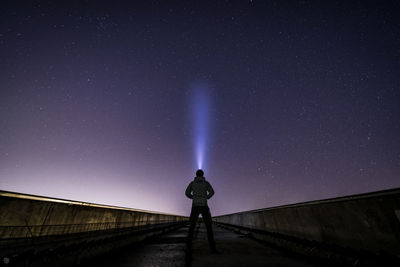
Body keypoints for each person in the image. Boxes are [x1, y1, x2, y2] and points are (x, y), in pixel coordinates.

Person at [185, 169, 217, 253]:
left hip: (195, 206)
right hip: (204, 206)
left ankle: (188, 247)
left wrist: (193, 197)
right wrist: (207, 197)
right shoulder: (206, 183)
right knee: (208, 227)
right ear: (202, 175)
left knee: (192, 227)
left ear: (196, 175)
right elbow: (212, 192)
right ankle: (212, 248)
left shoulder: (192, 183)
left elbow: (187, 193)